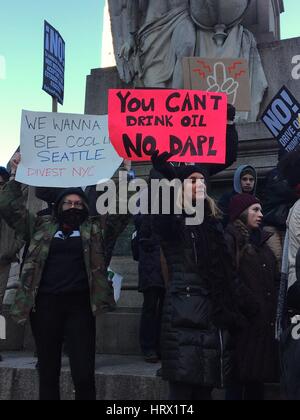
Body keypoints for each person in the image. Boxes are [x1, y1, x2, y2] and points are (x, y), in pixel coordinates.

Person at [0, 153, 131, 400]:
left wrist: (125, 173)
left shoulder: (95, 231)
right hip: (45, 307)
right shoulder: (39, 227)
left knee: (83, 373)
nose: (73, 207)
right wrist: (16, 176)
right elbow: (8, 205)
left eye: (79, 203)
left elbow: (123, 211)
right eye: (68, 203)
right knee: (48, 372)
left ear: (85, 208)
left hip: (80, 308)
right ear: (59, 207)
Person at [225, 194, 279, 400]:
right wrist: (250, 306)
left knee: (257, 382)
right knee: (238, 382)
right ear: (242, 212)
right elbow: (229, 278)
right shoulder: (231, 239)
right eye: (255, 209)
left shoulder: (263, 243)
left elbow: (273, 278)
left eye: (261, 210)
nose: (261, 214)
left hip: (261, 325)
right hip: (243, 324)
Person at [134, 211, 165, 364]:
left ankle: (160, 346)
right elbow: (141, 229)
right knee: (151, 306)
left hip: (165, 262)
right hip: (151, 263)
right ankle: (149, 346)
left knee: (164, 307)